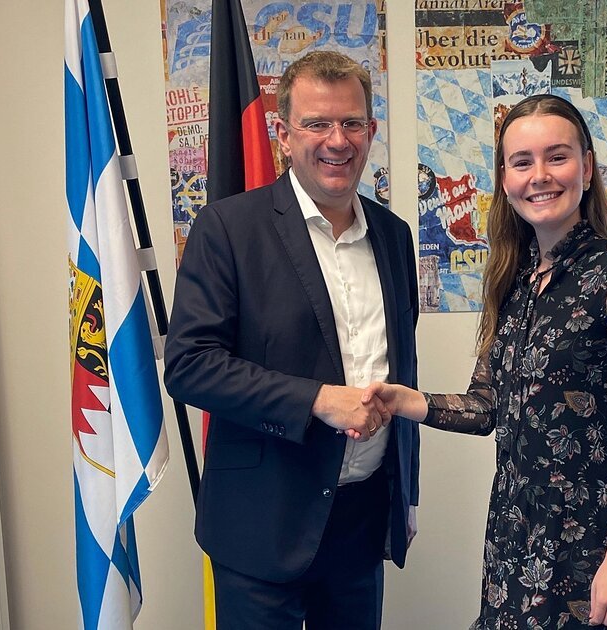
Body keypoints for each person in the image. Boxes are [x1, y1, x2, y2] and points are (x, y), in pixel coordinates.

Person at [363, 94, 607, 629]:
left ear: (587, 168)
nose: (540, 176)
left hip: (589, 547)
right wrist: (406, 401)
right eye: (522, 162)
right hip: (512, 536)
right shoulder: (514, 279)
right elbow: (487, 407)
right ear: (504, 179)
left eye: (557, 157)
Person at [164, 51, 420, 630]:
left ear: (371, 130)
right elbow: (189, 365)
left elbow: (401, 367)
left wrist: (406, 491)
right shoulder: (227, 228)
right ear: (283, 134)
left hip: (361, 522)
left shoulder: (394, 236)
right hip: (261, 525)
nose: (338, 140)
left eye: (352, 123)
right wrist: (318, 400)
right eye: (317, 124)